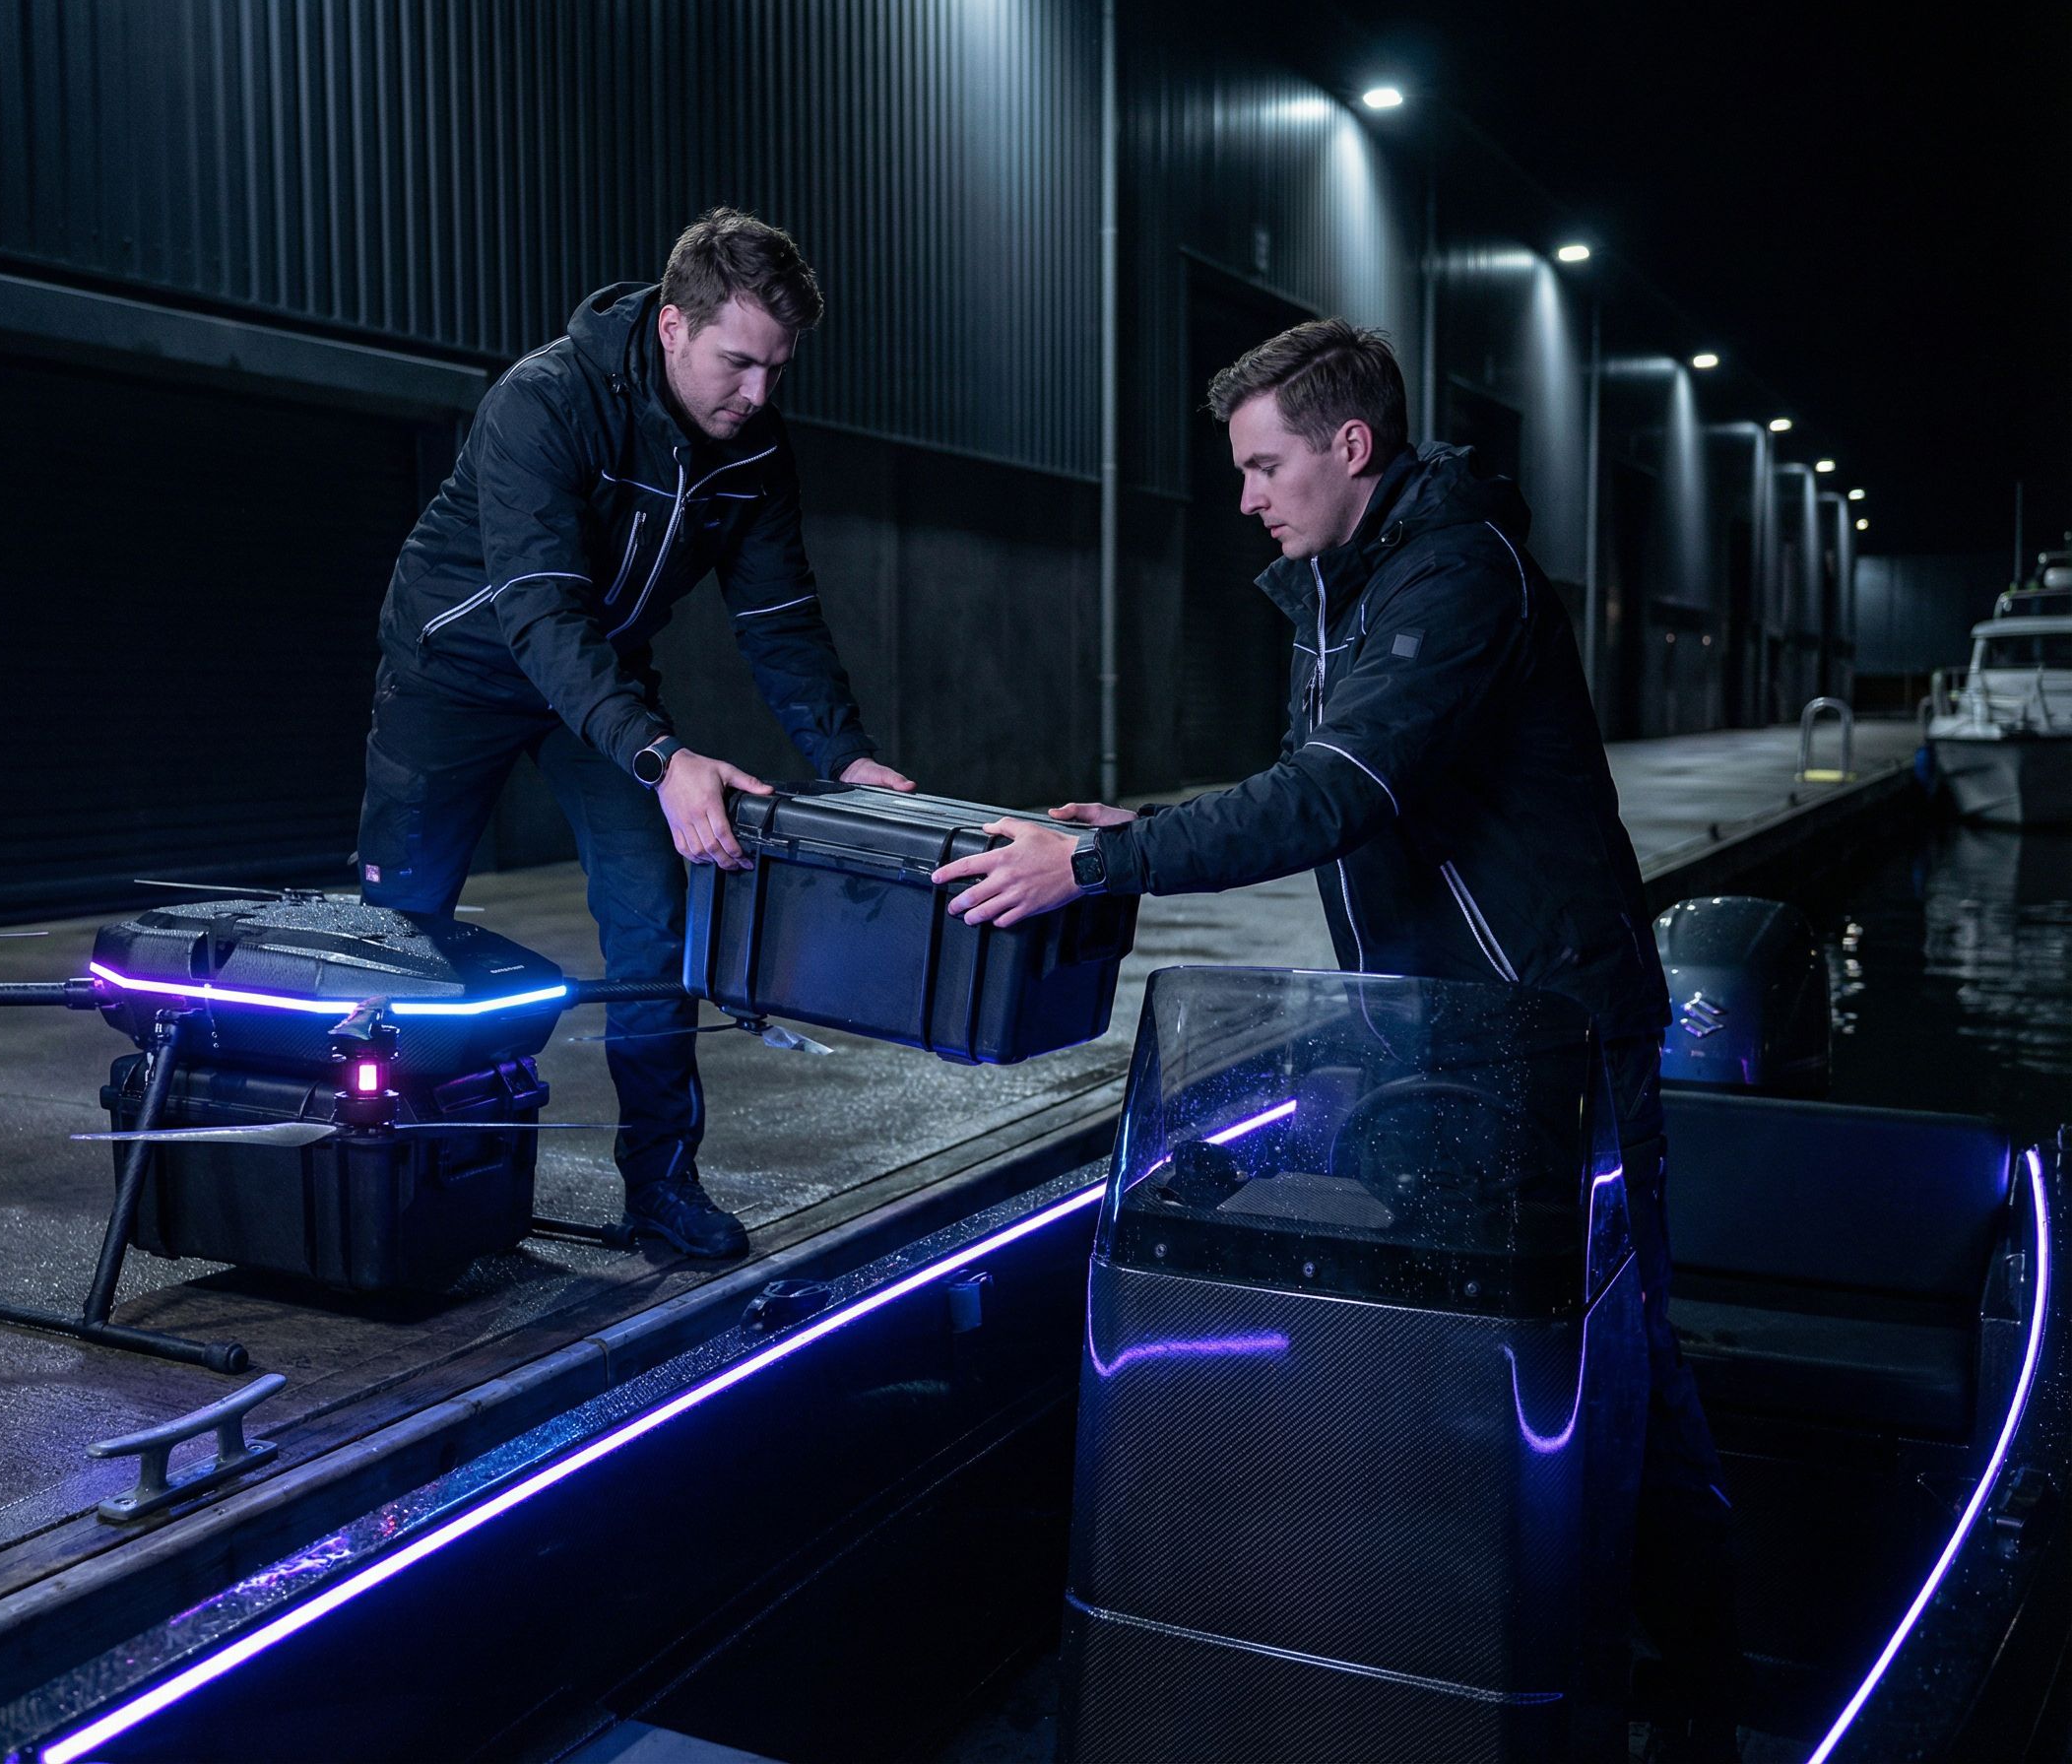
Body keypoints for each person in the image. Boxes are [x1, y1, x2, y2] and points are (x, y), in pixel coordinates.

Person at [932, 319, 1742, 1759]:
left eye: (1263, 465)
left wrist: (1099, 869)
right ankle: (1472, 1621)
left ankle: (1693, 1670)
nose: (1245, 497)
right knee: (1467, 1336)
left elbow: (1342, 793)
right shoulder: (1339, 585)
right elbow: (1312, 777)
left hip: (1555, 1036)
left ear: (1349, 448)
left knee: (1623, 1351)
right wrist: (1137, 827)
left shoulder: (1456, 575)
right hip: (1436, 1028)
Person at [359, 208, 913, 1261]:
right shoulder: (545, 401)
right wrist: (663, 757)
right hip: (460, 670)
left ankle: (660, 1184)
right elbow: (537, 612)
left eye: (777, 369)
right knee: (403, 923)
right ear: (671, 327)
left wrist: (843, 753)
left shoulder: (753, 452)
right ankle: (391, 1172)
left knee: (655, 920)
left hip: (600, 679)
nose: (758, 395)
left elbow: (779, 618)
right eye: (739, 362)